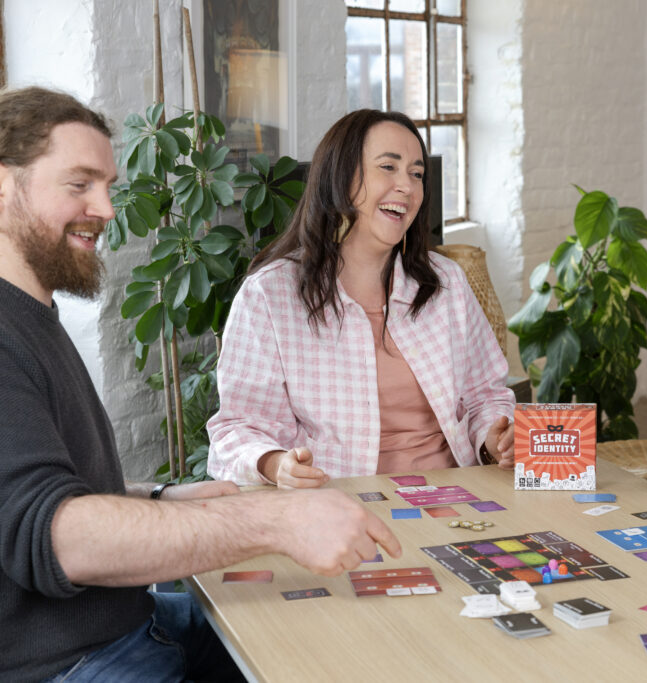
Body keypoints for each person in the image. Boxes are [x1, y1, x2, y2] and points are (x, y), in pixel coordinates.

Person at [0, 86, 401, 682]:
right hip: (74, 663)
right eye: (79, 184)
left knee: (343, 641)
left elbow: (31, 494)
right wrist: (278, 522)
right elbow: (60, 539)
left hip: (133, 621)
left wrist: (158, 498)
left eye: (107, 186)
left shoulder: (30, 314)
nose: (107, 209)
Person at [207, 110, 515, 488]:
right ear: (342, 178)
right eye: (388, 167)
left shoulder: (446, 283)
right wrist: (274, 464)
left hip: (455, 494)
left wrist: (494, 440)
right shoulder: (268, 296)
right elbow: (237, 428)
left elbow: (486, 396)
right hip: (338, 502)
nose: (407, 186)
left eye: (417, 174)